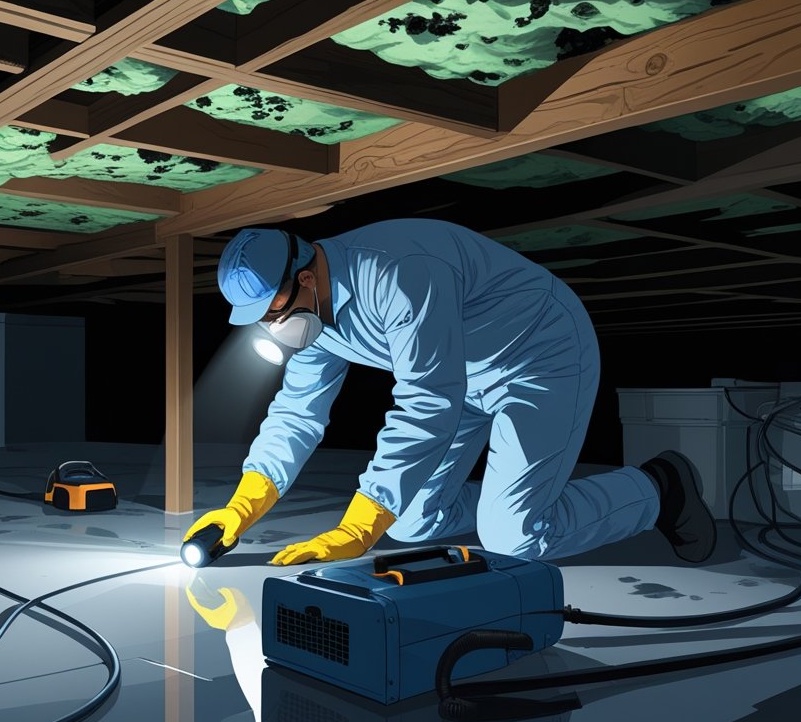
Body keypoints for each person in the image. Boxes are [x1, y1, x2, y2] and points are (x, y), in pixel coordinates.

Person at [183, 219, 717, 566]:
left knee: (516, 538)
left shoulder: (396, 272)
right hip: (461, 377)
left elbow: (426, 401)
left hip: (537, 354)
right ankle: (508, 496)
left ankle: (658, 488)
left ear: (303, 277)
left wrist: (359, 525)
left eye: (272, 310)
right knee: (413, 520)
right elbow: (297, 414)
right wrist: (241, 508)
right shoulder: (315, 316)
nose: (274, 325)